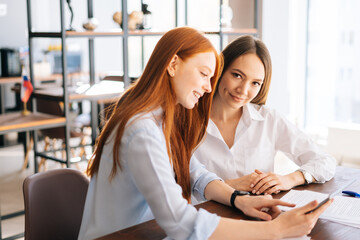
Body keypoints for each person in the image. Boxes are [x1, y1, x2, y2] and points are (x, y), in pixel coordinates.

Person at [78, 27, 332, 240]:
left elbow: (194, 173)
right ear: (173, 64)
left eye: (211, 77)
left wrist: (237, 200)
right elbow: (179, 220)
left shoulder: (158, 120)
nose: (208, 87)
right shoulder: (142, 128)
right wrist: (274, 230)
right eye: (203, 74)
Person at [194, 35, 336, 198]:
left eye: (255, 83)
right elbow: (175, 187)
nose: (243, 90)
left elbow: (325, 162)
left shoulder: (269, 120)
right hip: (204, 219)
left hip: (259, 218)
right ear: (220, 70)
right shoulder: (187, 120)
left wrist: (288, 179)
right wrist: (231, 185)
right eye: (237, 75)